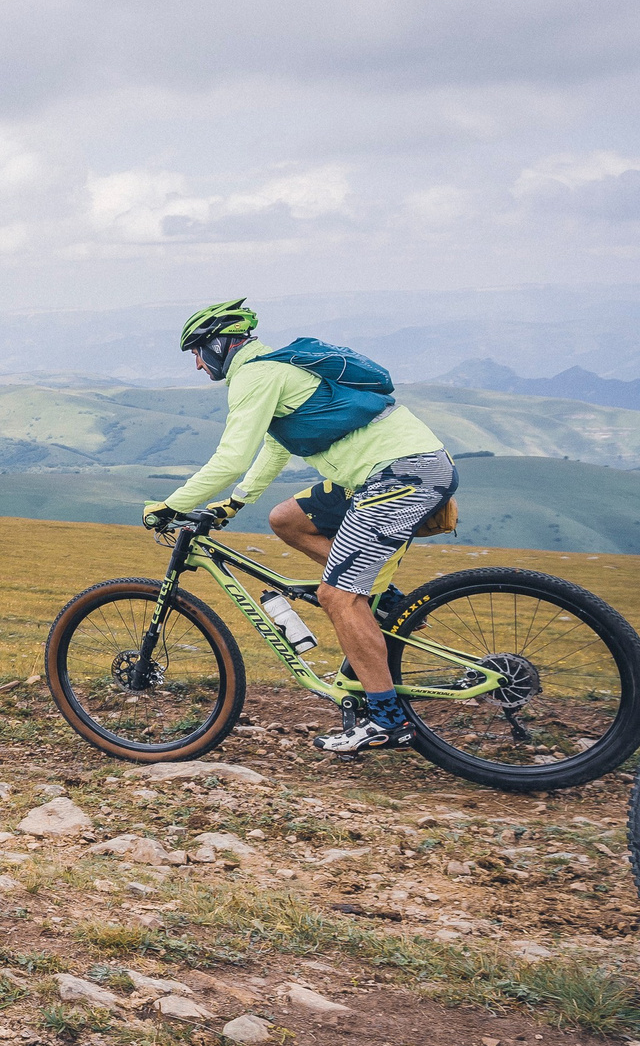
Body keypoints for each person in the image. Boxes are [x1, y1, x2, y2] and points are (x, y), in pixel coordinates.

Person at [149, 298, 458, 756]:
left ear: (218, 344)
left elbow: (230, 458)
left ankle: (387, 721)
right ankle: (383, 601)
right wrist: (233, 504)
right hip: (381, 474)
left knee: (337, 596)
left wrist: (169, 506)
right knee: (287, 520)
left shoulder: (255, 375)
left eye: (197, 351)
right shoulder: (275, 371)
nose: (196, 364)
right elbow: (275, 450)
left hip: (400, 474)